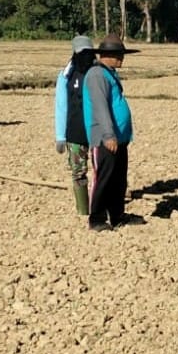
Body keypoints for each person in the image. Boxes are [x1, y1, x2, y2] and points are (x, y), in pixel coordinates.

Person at [83, 38, 142, 231]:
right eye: (120, 55)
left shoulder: (110, 74)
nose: (122, 59)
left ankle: (118, 215)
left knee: (118, 178)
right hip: (105, 138)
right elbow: (100, 107)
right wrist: (108, 135)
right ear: (108, 55)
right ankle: (97, 218)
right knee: (104, 177)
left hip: (119, 138)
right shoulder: (97, 75)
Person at [53, 35, 97, 216]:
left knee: (101, 171)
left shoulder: (99, 73)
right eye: (82, 53)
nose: (85, 57)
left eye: (89, 53)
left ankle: (99, 206)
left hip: (97, 133)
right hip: (75, 134)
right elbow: (61, 106)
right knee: (78, 173)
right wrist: (60, 137)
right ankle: (83, 210)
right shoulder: (66, 76)